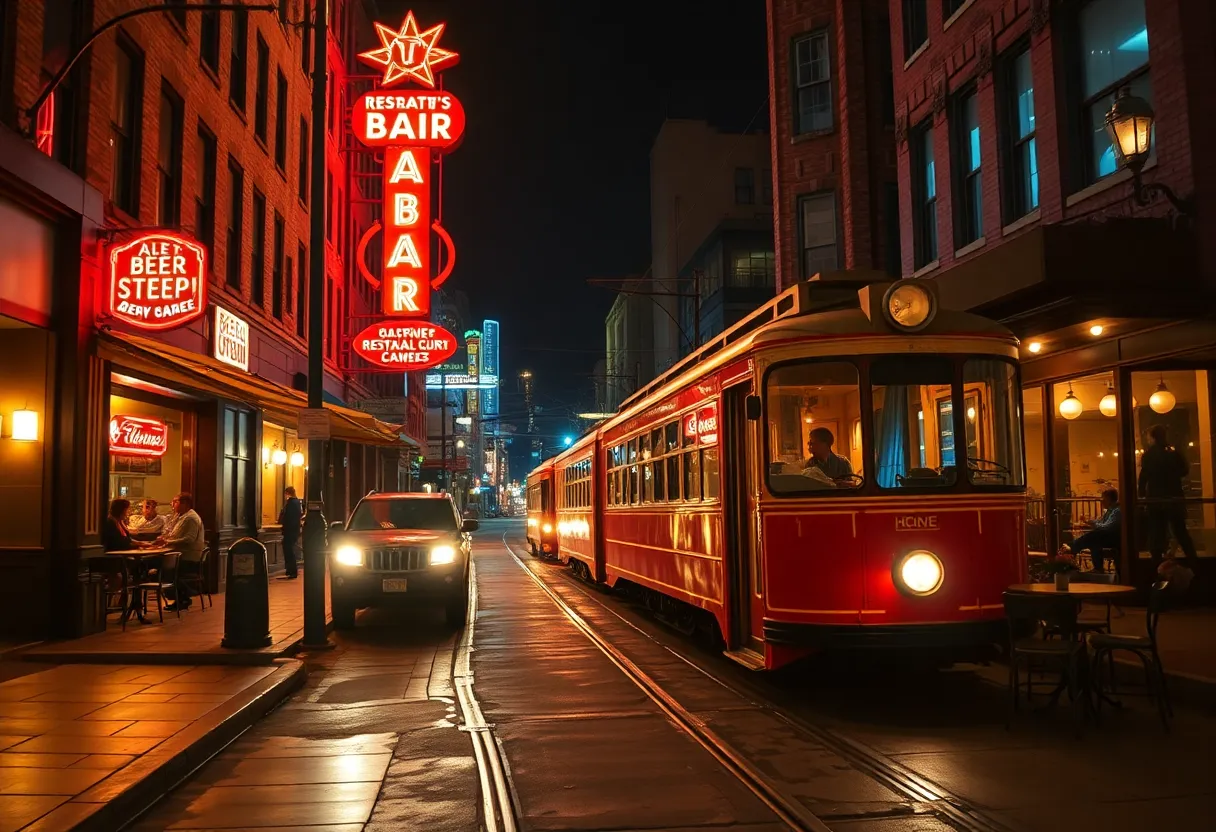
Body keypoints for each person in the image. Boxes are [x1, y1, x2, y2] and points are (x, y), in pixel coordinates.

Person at [1138, 424, 1198, 560]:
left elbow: (1144, 478)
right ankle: (1193, 560)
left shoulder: (1149, 455)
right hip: (1174, 497)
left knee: (1157, 531)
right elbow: (1184, 471)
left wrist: (1142, 498)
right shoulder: (1173, 453)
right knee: (1180, 530)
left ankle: (1156, 562)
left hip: (1156, 498)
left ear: (1152, 437)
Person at [155, 492, 205, 611]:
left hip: (187, 557)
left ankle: (183, 596)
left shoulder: (191, 518)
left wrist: (168, 542)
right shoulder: (180, 516)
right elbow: (172, 532)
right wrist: (165, 538)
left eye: (175, 501)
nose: (172, 504)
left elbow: (189, 538)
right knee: (159, 566)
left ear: (185, 504)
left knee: (162, 568)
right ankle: (178, 596)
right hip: (179, 555)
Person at [1061, 488, 1120, 564]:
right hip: (1107, 537)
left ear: (1109, 499)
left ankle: (1072, 547)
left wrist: (1094, 524)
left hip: (1113, 539)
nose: (1102, 501)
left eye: (1103, 498)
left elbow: (1106, 528)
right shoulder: (1110, 510)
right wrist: (1088, 521)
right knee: (1094, 541)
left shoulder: (1116, 511)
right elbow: (1100, 523)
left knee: (1094, 535)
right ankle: (1098, 568)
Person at [278, 486, 303, 580]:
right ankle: (291, 570)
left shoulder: (290, 503)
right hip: (294, 530)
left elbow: (287, 517)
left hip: (289, 531)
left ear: (288, 493)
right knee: (291, 550)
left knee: (289, 550)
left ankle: (292, 571)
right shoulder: (297, 503)